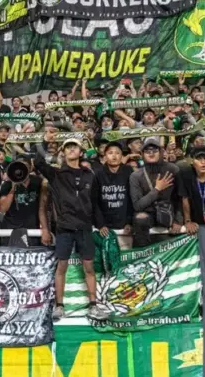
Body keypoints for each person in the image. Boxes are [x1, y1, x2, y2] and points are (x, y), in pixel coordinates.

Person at [36, 136, 107, 321]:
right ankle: (59, 307)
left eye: (74, 146)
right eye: (67, 147)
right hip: (64, 228)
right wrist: (45, 142)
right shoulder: (56, 174)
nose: (71, 149)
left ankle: (93, 306)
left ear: (81, 151)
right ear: (63, 152)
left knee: (89, 267)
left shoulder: (89, 175)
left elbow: (95, 202)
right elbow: (38, 162)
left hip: (84, 227)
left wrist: (101, 224)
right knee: (62, 266)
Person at [129, 137, 179, 247]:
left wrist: (178, 221)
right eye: (147, 151)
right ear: (142, 154)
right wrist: (157, 189)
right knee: (140, 218)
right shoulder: (136, 176)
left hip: (169, 212)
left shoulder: (173, 169)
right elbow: (137, 206)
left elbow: (181, 197)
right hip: (149, 214)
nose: (151, 153)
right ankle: (142, 254)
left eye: (155, 150)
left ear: (161, 152)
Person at [93, 141, 134, 234]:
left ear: (122, 156)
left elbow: (132, 199)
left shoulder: (128, 171)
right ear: (105, 156)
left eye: (117, 153)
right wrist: (100, 224)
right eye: (110, 153)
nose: (114, 156)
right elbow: (94, 201)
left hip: (124, 223)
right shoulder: (97, 173)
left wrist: (129, 222)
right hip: (104, 224)